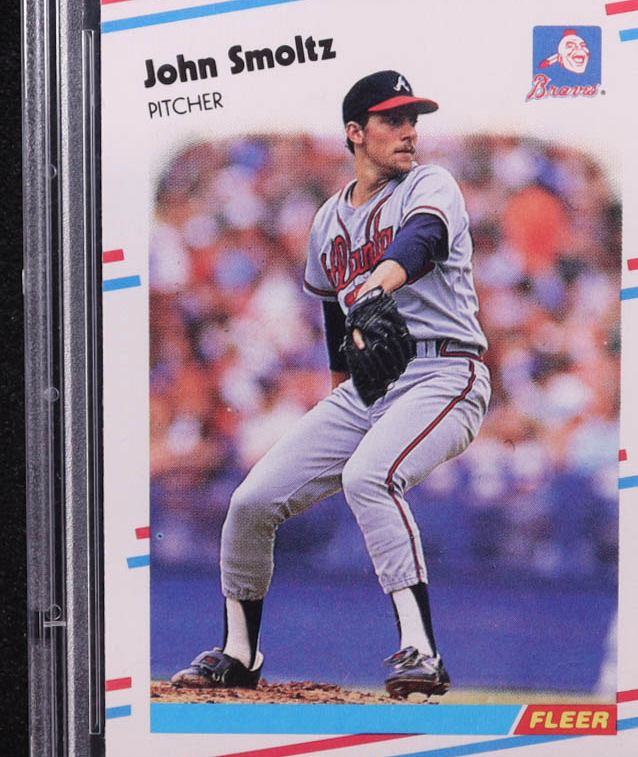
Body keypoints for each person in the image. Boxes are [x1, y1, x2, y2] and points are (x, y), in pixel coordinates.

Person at [171, 70, 490, 697]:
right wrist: (345, 390)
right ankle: (239, 652)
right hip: (370, 389)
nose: (408, 131)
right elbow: (334, 317)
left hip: (445, 370)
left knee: (369, 476)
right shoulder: (327, 220)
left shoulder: (431, 184)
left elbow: (422, 240)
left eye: (413, 119)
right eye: (392, 120)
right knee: (251, 502)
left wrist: (377, 285)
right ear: (355, 132)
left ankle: (421, 651)